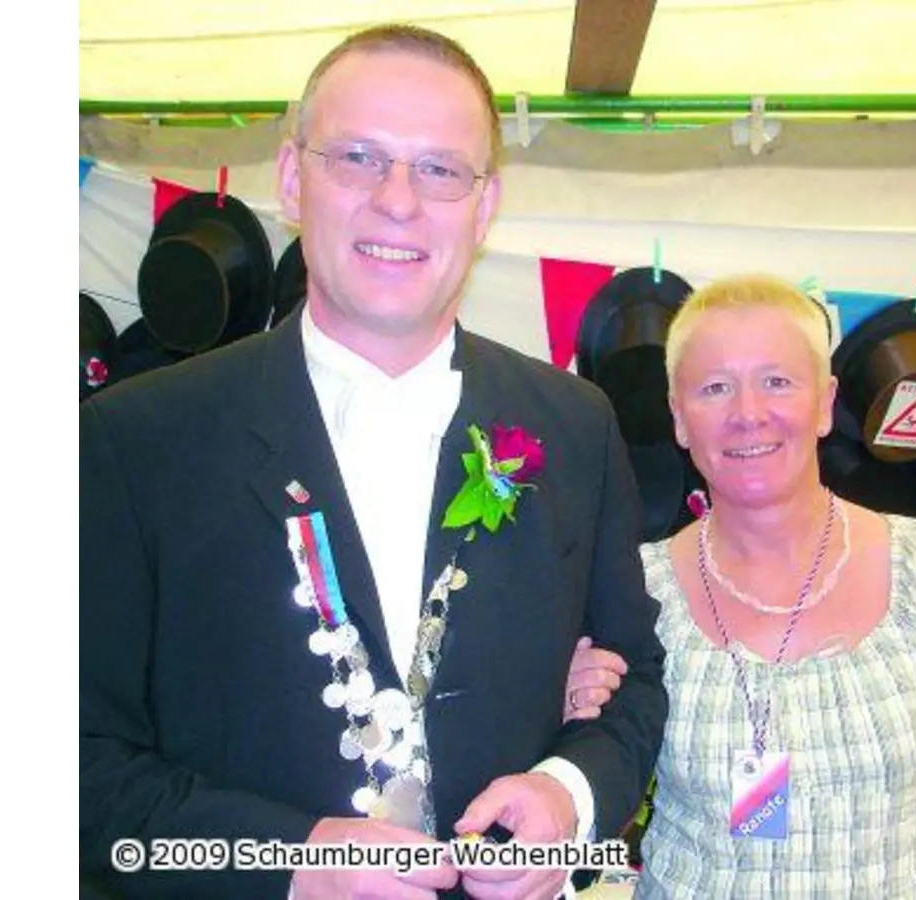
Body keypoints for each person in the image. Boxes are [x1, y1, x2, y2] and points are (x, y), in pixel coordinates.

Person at [80, 25, 668, 900]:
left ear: (485, 202)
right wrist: (279, 860)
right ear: (291, 179)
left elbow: (632, 678)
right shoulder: (135, 439)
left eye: (439, 169)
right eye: (357, 157)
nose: (399, 200)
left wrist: (568, 798)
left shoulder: (574, 424)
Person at [569, 275, 916, 898]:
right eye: (715, 387)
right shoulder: (634, 594)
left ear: (826, 402)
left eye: (777, 381)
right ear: (678, 417)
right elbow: (593, 832)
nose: (748, 413)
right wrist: (570, 720)